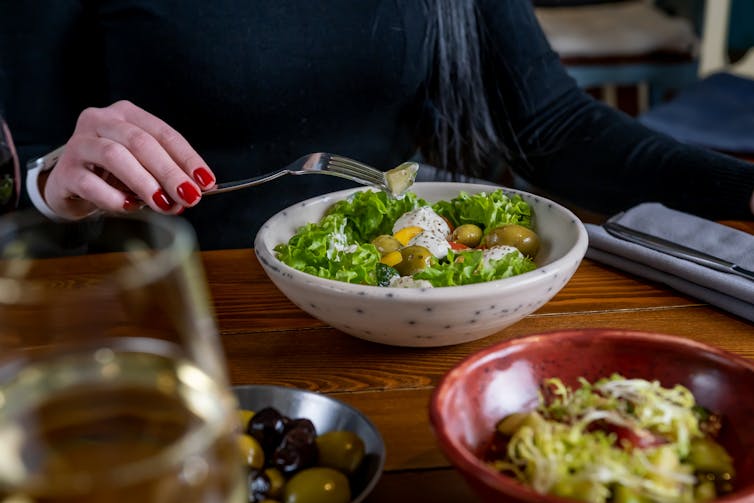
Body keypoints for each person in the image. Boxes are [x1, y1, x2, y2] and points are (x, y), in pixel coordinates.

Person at [1, 1, 752, 250]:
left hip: (389, 302)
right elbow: (25, 158)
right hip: (159, 302)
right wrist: (44, 179)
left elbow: (554, 126)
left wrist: (741, 190)